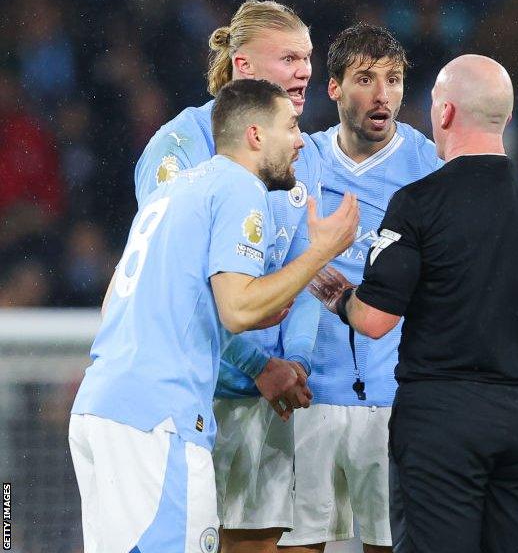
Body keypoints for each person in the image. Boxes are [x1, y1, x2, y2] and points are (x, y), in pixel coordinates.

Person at [69, 79, 359, 553]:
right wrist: (320, 252)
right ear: (255, 135)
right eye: (290, 126)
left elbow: (116, 303)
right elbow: (239, 305)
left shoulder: (175, 192)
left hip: (102, 410)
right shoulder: (239, 186)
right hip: (158, 421)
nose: (301, 140)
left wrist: (242, 312)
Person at [336, 54, 518, 553]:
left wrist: (341, 299)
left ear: (446, 113)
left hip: (440, 419)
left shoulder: (417, 203)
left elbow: (373, 319)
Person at [132, 0, 322, 552]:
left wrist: (295, 366)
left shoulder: (296, 149)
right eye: (289, 58)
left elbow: (306, 270)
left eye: (307, 58)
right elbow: (182, 285)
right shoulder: (180, 149)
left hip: (268, 398)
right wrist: (258, 365)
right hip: (190, 393)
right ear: (243, 66)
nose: (305, 71)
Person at [283, 23, 441, 553]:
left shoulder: (426, 165)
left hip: (394, 396)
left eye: (393, 80)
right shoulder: (299, 158)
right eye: (366, 78)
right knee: (298, 543)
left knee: (388, 544)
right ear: (333, 88)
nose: (382, 94)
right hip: (306, 394)